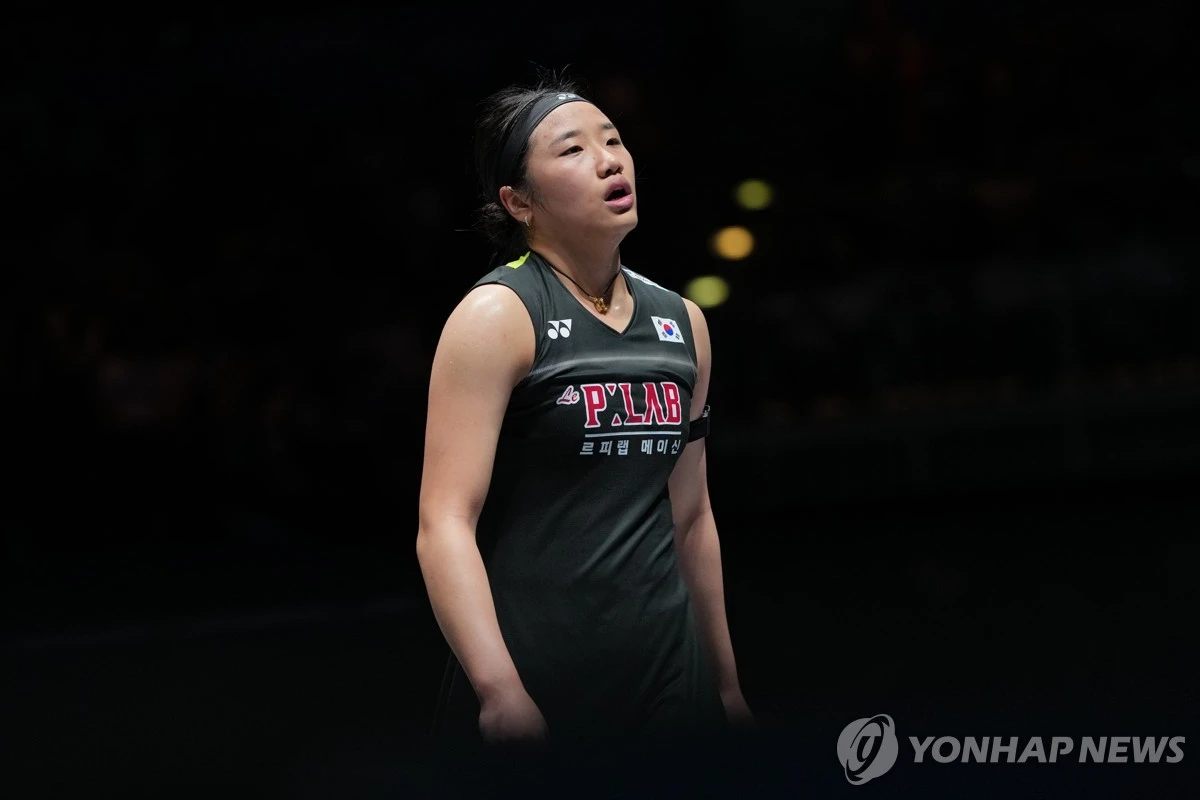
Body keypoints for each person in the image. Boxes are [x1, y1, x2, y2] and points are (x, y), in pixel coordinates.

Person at [416, 74, 752, 758]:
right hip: (540, 683)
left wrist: (725, 685)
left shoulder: (682, 323)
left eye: (614, 140)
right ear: (519, 202)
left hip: (669, 679)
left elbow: (691, 517)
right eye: (572, 149)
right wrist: (499, 691)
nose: (609, 161)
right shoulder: (498, 316)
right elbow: (443, 523)